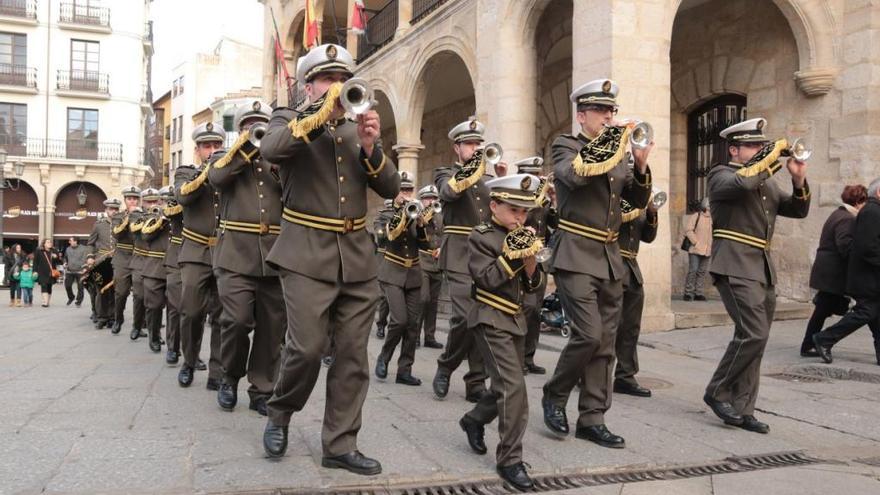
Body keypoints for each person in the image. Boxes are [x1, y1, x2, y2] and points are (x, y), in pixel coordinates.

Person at [259, 43, 399, 475]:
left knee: (354, 356)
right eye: (326, 79)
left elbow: (392, 188)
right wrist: (322, 116)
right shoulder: (289, 119)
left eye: (342, 78)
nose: (336, 87)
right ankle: (280, 412)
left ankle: (339, 444)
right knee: (305, 348)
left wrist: (372, 146)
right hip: (305, 253)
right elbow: (271, 149)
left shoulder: (358, 129)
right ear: (308, 85)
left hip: (356, 257)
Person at [541, 79, 652, 449]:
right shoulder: (565, 145)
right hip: (575, 252)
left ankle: (592, 417)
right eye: (601, 111)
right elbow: (573, 176)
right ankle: (555, 395)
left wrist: (639, 164)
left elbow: (634, 196)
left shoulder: (619, 153)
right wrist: (612, 142)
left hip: (609, 256)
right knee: (588, 335)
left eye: (612, 111)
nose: (609, 116)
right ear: (582, 114)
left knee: (605, 342)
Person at [703, 117, 810, 434]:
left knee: (757, 340)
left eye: (760, 145)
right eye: (752, 146)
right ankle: (716, 391)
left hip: (761, 268)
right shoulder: (721, 175)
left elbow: (796, 209)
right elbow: (743, 183)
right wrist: (771, 159)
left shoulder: (765, 181)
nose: (759, 150)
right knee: (752, 333)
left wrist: (799, 180)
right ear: (733, 150)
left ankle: (743, 407)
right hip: (733, 264)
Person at [458, 173, 544, 491]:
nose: (520, 218)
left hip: (516, 319)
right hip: (489, 317)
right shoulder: (480, 237)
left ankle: (474, 419)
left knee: (506, 385)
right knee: (514, 389)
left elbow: (534, 286)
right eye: (513, 210)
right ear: (494, 205)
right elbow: (487, 279)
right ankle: (509, 460)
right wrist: (513, 252)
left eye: (524, 212)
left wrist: (531, 255)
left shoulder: (524, 235)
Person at [208, 99, 286, 416]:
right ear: (239, 130)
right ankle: (229, 377)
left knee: (272, 328)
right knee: (237, 321)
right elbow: (217, 178)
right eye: (248, 125)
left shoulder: (279, 160)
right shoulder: (223, 157)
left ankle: (262, 389)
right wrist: (245, 148)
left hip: (275, 254)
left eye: (260, 124)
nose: (255, 129)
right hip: (235, 256)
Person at [432, 117, 492, 403]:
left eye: (479, 143)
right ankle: (446, 365)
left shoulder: (490, 181)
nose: (477, 148)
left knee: (483, 318)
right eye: (470, 144)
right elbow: (449, 193)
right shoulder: (444, 173)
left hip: (486, 254)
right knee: (465, 316)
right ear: (457, 148)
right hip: (458, 252)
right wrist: (474, 168)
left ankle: (476, 381)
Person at [174, 122, 226, 390]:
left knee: (223, 315)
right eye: (207, 146)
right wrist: (209, 171)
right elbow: (183, 198)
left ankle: (217, 371)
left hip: (226, 252)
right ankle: (189, 361)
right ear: (198, 150)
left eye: (217, 145)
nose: (213, 150)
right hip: (195, 251)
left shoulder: (230, 172)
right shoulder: (185, 173)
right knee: (191, 312)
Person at [813, 179, 880, 366]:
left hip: (868, 277)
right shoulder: (873, 212)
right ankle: (825, 338)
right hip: (866, 278)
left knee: (874, 314)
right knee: (866, 312)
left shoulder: (872, 211)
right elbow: (868, 247)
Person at [374, 172, 430, 386]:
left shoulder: (417, 214)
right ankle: (384, 358)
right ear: (395, 194)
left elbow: (426, 245)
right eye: (402, 191)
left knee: (413, 324)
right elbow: (383, 237)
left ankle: (404, 370)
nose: (406, 195)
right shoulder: (386, 215)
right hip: (392, 272)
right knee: (399, 320)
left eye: (409, 191)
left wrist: (423, 225)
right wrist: (402, 215)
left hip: (414, 273)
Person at [800, 185, 866, 357]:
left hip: (827, 273)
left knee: (821, 311)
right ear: (859, 202)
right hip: (832, 274)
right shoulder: (847, 219)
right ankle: (816, 342)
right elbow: (845, 245)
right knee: (825, 310)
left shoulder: (838, 214)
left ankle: (810, 343)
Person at [515, 156, 557, 375]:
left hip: (540, 259)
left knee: (536, 311)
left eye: (538, 174)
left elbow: (554, 224)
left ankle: (529, 357)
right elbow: (522, 220)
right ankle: (518, 358)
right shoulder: (519, 197)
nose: (537, 178)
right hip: (522, 259)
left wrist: (555, 201)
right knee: (525, 308)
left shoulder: (542, 199)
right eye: (532, 175)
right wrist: (539, 194)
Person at [613, 198, 658, 397]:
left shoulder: (638, 204)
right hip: (611, 265)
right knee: (606, 327)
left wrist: (651, 213)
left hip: (631, 269)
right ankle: (587, 374)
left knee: (631, 327)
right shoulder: (613, 197)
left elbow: (648, 237)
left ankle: (625, 376)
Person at [111, 186, 145, 335]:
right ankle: (118, 319)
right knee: (121, 292)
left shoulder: (143, 215)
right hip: (122, 257)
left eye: (135, 198)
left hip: (139, 256)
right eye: (129, 199)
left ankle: (137, 326)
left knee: (140, 294)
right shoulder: (118, 216)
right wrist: (128, 217)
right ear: (125, 200)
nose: (132, 201)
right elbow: (116, 235)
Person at [138, 188, 167, 353]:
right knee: (154, 306)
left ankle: (174, 346)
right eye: (149, 202)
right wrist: (160, 219)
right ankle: (154, 335)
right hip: (155, 267)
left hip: (177, 265)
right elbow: (146, 236)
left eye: (156, 202)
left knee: (178, 310)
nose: (153, 205)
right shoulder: (146, 217)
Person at [417, 185, 444, 349]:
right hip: (422, 260)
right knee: (423, 299)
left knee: (433, 302)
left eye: (434, 198)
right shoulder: (417, 215)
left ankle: (429, 336)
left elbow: (445, 234)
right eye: (428, 198)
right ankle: (414, 336)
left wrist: (442, 248)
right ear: (422, 200)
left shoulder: (441, 217)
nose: (431, 201)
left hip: (437, 262)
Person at [88, 199, 119, 329]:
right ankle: (102, 317)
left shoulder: (123, 224)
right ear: (106, 210)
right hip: (101, 260)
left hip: (117, 261)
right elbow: (90, 243)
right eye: (111, 209)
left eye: (116, 209)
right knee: (101, 290)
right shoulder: (98, 225)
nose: (113, 211)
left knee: (115, 291)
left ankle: (112, 317)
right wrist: (90, 257)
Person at [683, 198, 712, 301]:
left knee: (702, 272)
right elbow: (688, 230)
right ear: (704, 205)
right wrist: (696, 242)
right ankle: (688, 292)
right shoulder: (697, 216)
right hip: (695, 249)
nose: (709, 206)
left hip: (707, 250)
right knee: (693, 270)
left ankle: (698, 293)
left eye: (710, 204)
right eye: (707, 204)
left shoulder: (713, 218)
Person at [33, 238, 60, 307]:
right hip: (42, 272)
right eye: (48, 242)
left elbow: (60, 262)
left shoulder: (54, 251)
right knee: (43, 285)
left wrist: (56, 257)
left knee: (49, 286)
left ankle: (47, 301)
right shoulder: (39, 251)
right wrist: (35, 271)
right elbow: (35, 262)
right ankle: (45, 302)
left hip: (51, 272)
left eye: (50, 242)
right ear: (44, 244)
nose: (49, 243)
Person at [63, 237, 88, 307]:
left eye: (70, 241)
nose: (69, 242)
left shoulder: (84, 248)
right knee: (67, 286)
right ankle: (71, 297)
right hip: (70, 271)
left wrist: (85, 268)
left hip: (80, 271)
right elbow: (65, 258)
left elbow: (87, 259)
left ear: (75, 241)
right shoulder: (68, 249)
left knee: (80, 287)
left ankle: (78, 301)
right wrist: (65, 262)